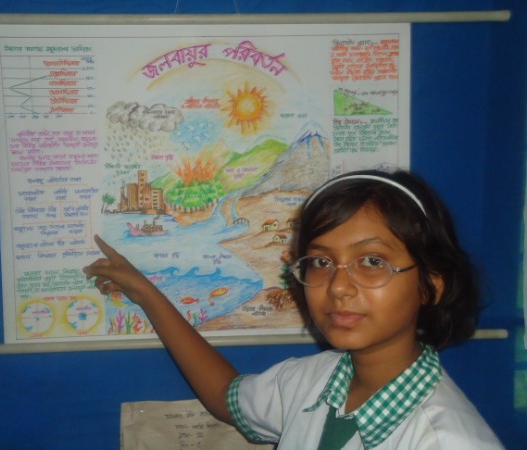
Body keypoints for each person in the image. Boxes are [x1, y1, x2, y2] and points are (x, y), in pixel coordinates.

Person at [83, 169, 504, 449]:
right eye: (321, 261)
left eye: (372, 261)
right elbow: (227, 398)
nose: (338, 286)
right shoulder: (316, 380)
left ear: (431, 285)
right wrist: (149, 295)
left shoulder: (448, 441)